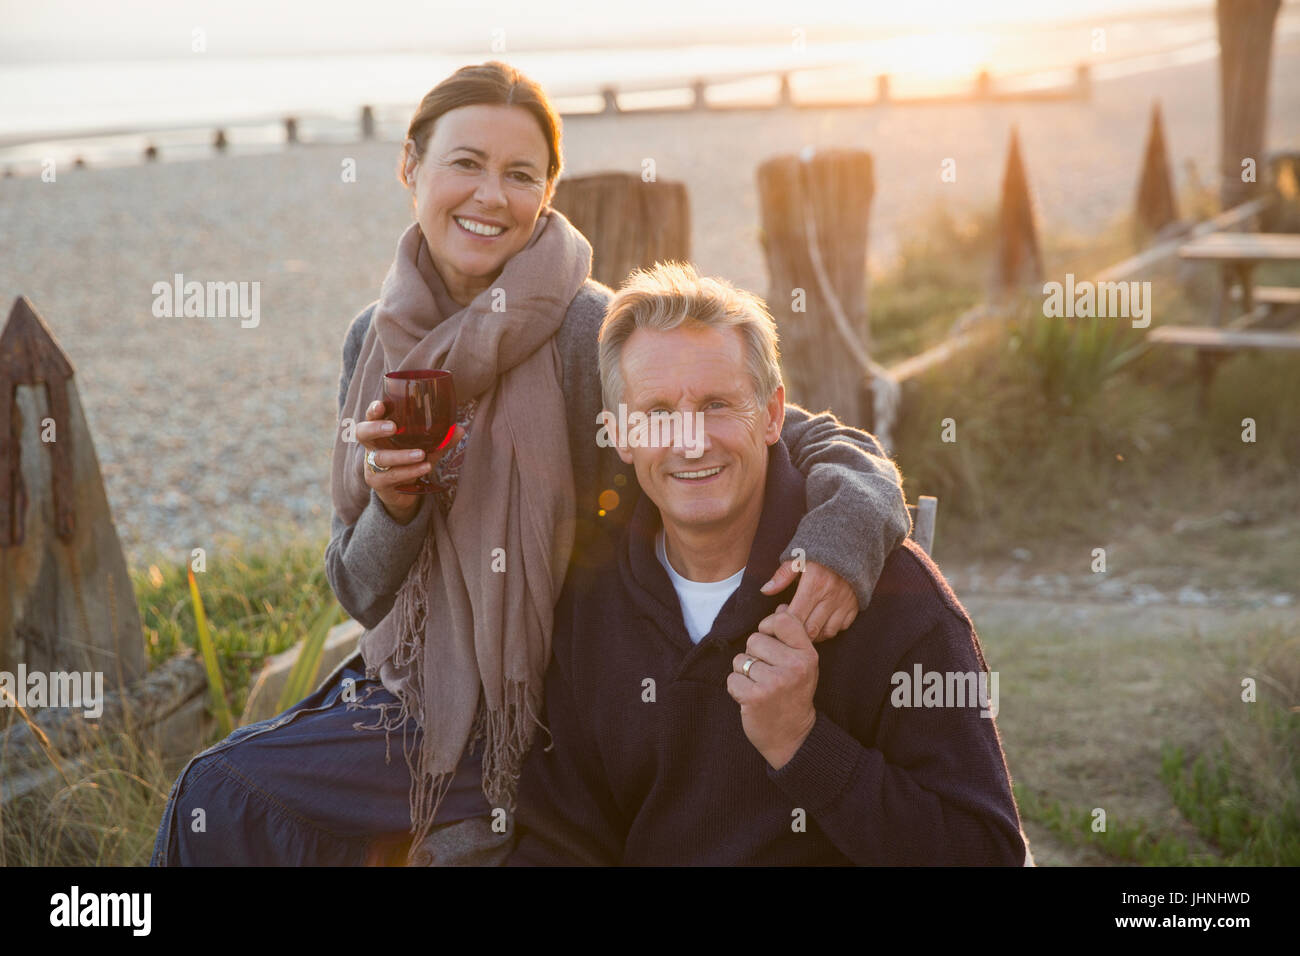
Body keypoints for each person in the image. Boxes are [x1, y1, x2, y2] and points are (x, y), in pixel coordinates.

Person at [150, 61, 910, 867]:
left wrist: (846, 532)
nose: (490, 197)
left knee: (222, 792)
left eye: (520, 174)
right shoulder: (374, 339)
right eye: (466, 164)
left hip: (561, 708)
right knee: (222, 794)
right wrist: (396, 510)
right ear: (411, 165)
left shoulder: (590, 327)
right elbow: (358, 589)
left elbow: (789, 432)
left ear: (550, 189)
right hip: (418, 688)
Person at [509, 261, 1028, 865]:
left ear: (774, 415)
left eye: (717, 405)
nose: (691, 441)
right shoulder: (591, 601)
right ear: (619, 435)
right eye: (656, 413)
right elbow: (563, 841)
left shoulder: (897, 597)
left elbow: (988, 854)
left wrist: (802, 743)